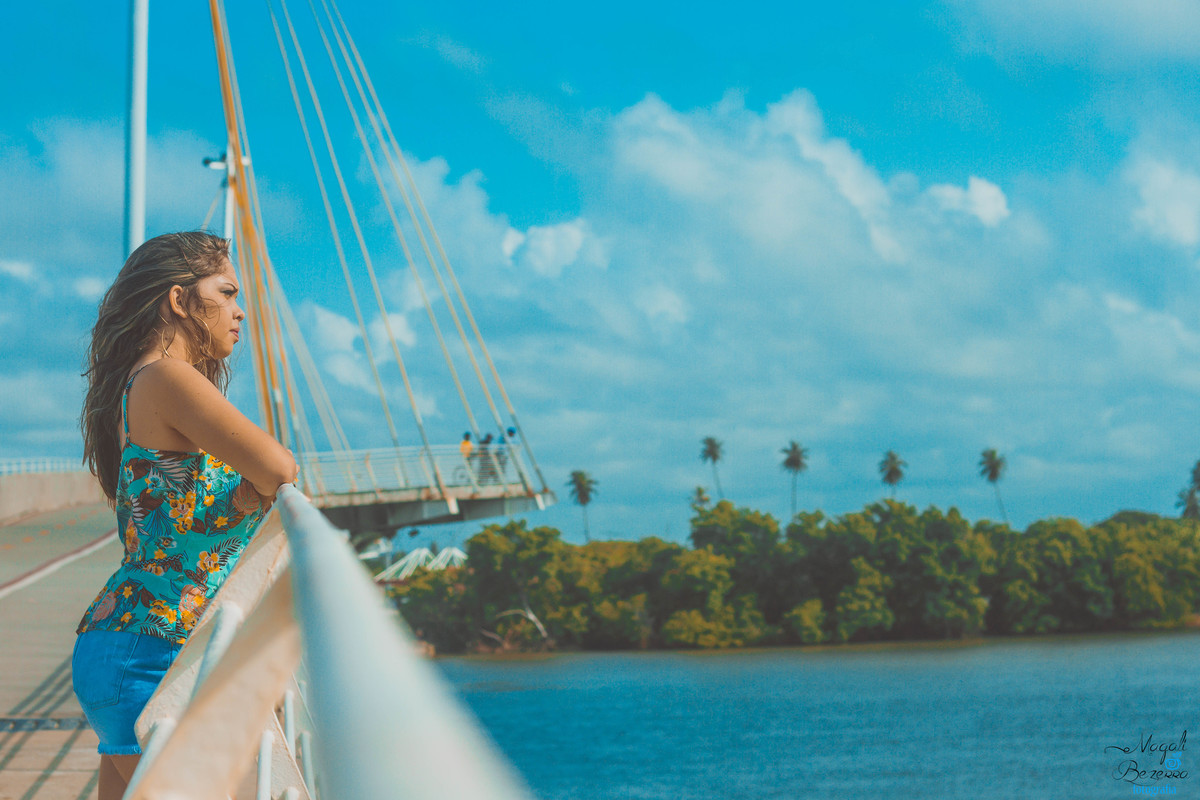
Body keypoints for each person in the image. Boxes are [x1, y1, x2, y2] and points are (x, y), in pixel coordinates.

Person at [73, 232, 297, 800]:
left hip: (131, 644)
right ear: (178, 300)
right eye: (225, 292)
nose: (240, 310)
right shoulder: (168, 378)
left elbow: (185, 514)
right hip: (154, 652)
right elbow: (278, 466)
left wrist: (242, 499)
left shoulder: (135, 385)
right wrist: (254, 490)